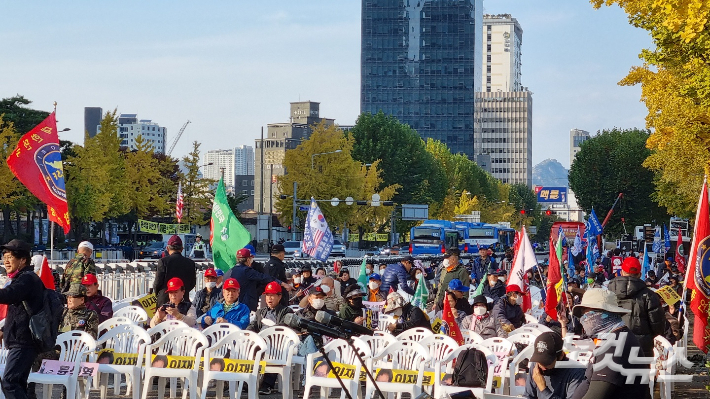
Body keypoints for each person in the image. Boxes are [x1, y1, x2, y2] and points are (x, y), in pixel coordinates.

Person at [570, 289, 651, 399]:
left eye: (588, 314)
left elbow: (595, 395)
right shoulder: (610, 338)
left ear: (605, 313)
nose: (584, 319)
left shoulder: (616, 345)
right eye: (582, 315)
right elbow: (588, 382)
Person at [1, 240, 46, 399]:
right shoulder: (21, 278)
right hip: (19, 339)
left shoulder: (27, 279)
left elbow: (10, 295)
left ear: (23, 260)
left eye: (10, 257)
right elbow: (19, 312)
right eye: (4, 257)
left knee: (10, 382)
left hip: (25, 340)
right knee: (17, 383)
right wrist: (3, 330)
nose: (6, 261)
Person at [607, 257, 665, 357]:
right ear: (640, 274)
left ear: (622, 272)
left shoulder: (607, 293)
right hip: (641, 349)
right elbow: (658, 327)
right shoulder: (650, 296)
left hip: (612, 347)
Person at [247, 281, 294, 396]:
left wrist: (271, 330)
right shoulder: (261, 312)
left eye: (272, 295)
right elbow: (253, 325)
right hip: (259, 342)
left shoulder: (286, 311)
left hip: (277, 343)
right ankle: (246, 380)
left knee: (272, 348)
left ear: (279, 296)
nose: (269, 298)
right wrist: (249, 332)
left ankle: (267, 385)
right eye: (267, 295)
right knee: (246, 345)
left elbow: (285, 327)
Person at [523, 332, 586, 399]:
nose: (542, 366)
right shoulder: (536, 366)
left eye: (547, 362)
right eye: (539, 360)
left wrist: (544, 389)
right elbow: (528, 396)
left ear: (561, 356)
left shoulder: (576, 373)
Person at [153, 235, 196, 306]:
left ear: (167, 248)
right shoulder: (190, 263)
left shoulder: (163, 261)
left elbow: (157, 283)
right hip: (183, 300)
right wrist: (182, 292)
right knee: (182, 317)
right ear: (182, 249)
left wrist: (161, 294)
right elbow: (192, 283)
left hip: (165, 300)